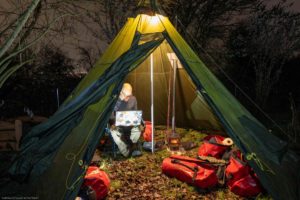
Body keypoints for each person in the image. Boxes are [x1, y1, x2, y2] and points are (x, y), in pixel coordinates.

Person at [109, 83, 143, 157]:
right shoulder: (114, 100)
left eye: (129, 95)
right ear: (121, 92)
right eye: (126, 96)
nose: (128, 98)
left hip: (130, 125)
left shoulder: (133, 99)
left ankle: (129, 146)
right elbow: (110, 116)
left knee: (139, 129)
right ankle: (128, 151)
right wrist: (112, 124)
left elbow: (135, 114)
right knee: (113, 133)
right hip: (118, 126)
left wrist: (139, 123)